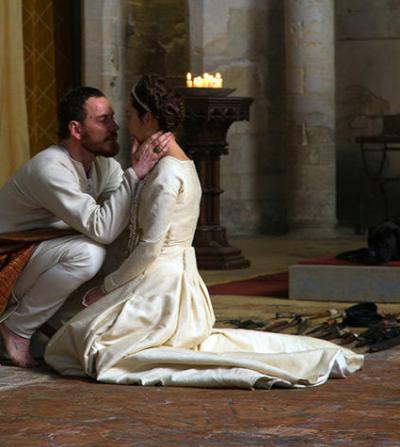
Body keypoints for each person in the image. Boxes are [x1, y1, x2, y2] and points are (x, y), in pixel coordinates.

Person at [44, 75, 364, 389]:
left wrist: (107, 288)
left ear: (148, 118)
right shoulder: (175, 164)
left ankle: (309, 361)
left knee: (91, 348)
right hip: (168, 278)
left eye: (128, 116)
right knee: (75, 340)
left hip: (161, 286)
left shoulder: (167, 173)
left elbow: (150, 247)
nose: (124, 124)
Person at [0, 86, 172, 368]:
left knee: (127, 247)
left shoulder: (105, 167)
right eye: (103, 120)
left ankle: (60, 323)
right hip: (2, 268)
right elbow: (103, 229)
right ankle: (17, 328)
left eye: (113, 118)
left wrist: (138, 176)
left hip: (42, 259)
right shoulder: (49, 167)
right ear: (76, 129)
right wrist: (135, 173)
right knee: (88, 253)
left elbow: (122, 220)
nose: (115, 127)